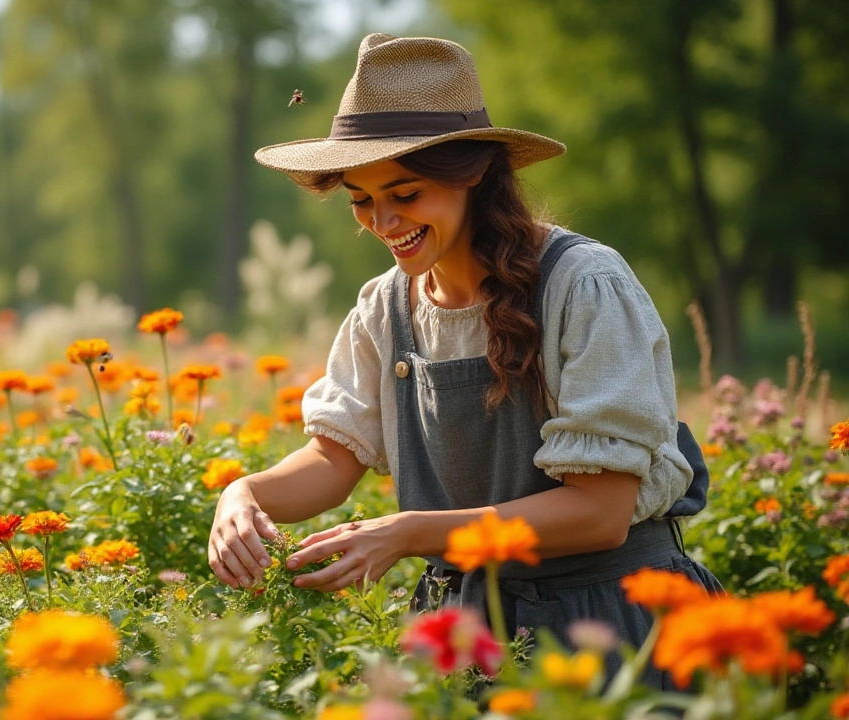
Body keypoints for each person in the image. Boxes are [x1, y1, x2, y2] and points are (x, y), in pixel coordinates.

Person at [207, 33, 721, 686]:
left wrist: (408, 532)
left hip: (614, 623)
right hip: (467, 635)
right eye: (361, 199)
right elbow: (333, 458)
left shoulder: (583, 285)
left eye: (406, 193)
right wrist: (244, 493)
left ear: (471, 173)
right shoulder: (384, 308)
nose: (383, 221)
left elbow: (600, 511)